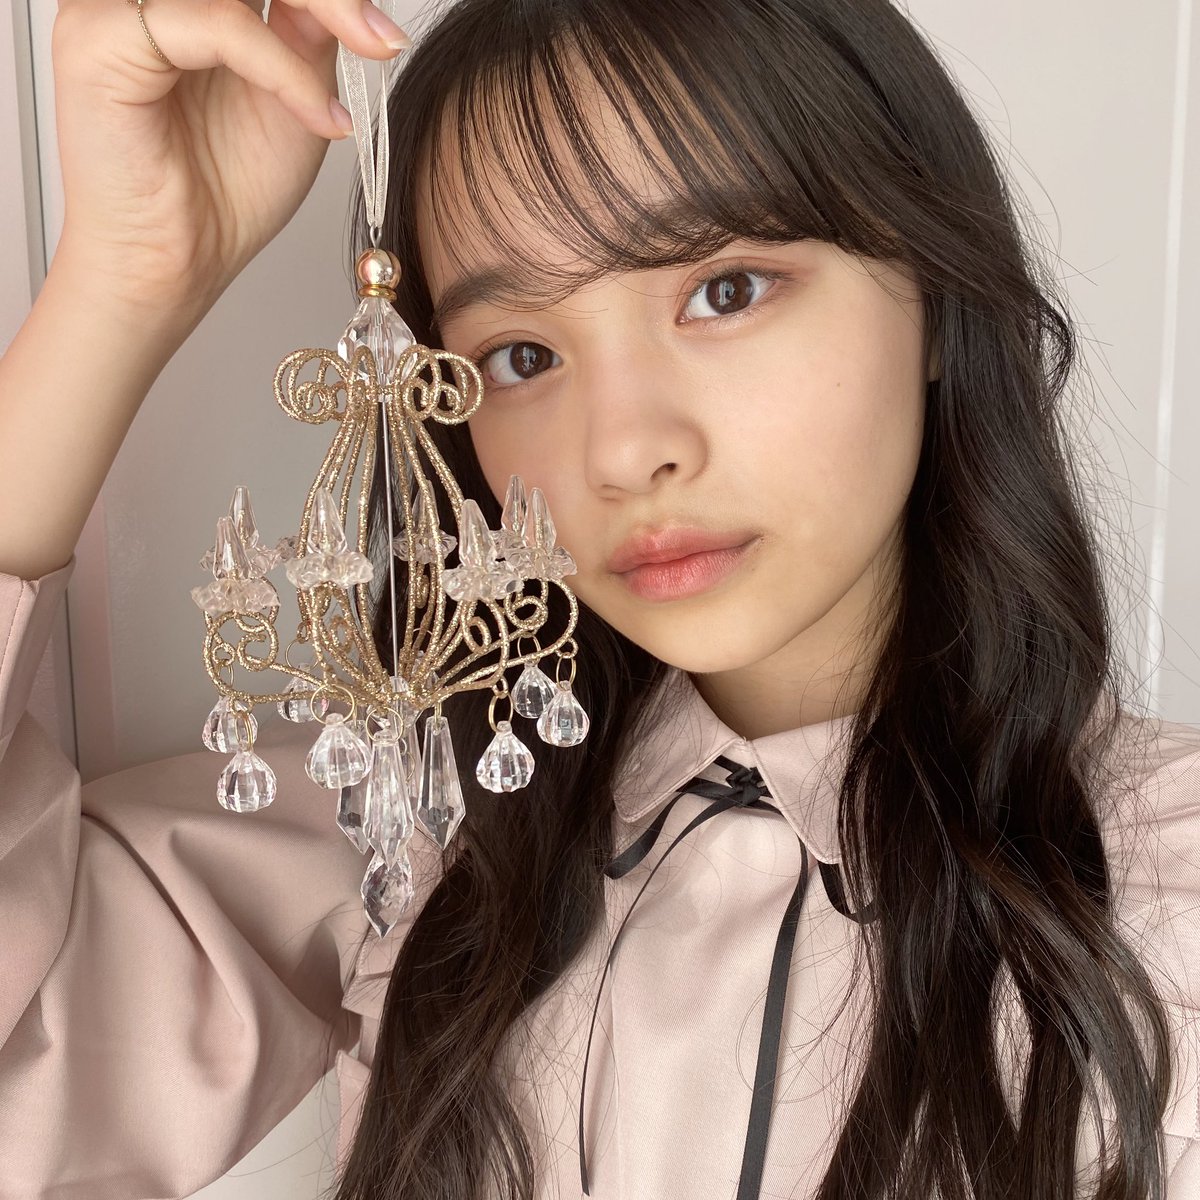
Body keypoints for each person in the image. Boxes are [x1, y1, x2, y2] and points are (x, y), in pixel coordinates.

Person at [1, 0, 1198, 1196]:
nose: (624, 451)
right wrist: (122, 281)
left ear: (932, 292)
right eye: (520, 358)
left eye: (727, 290)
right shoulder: (410, 839)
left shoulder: (1169, 882)